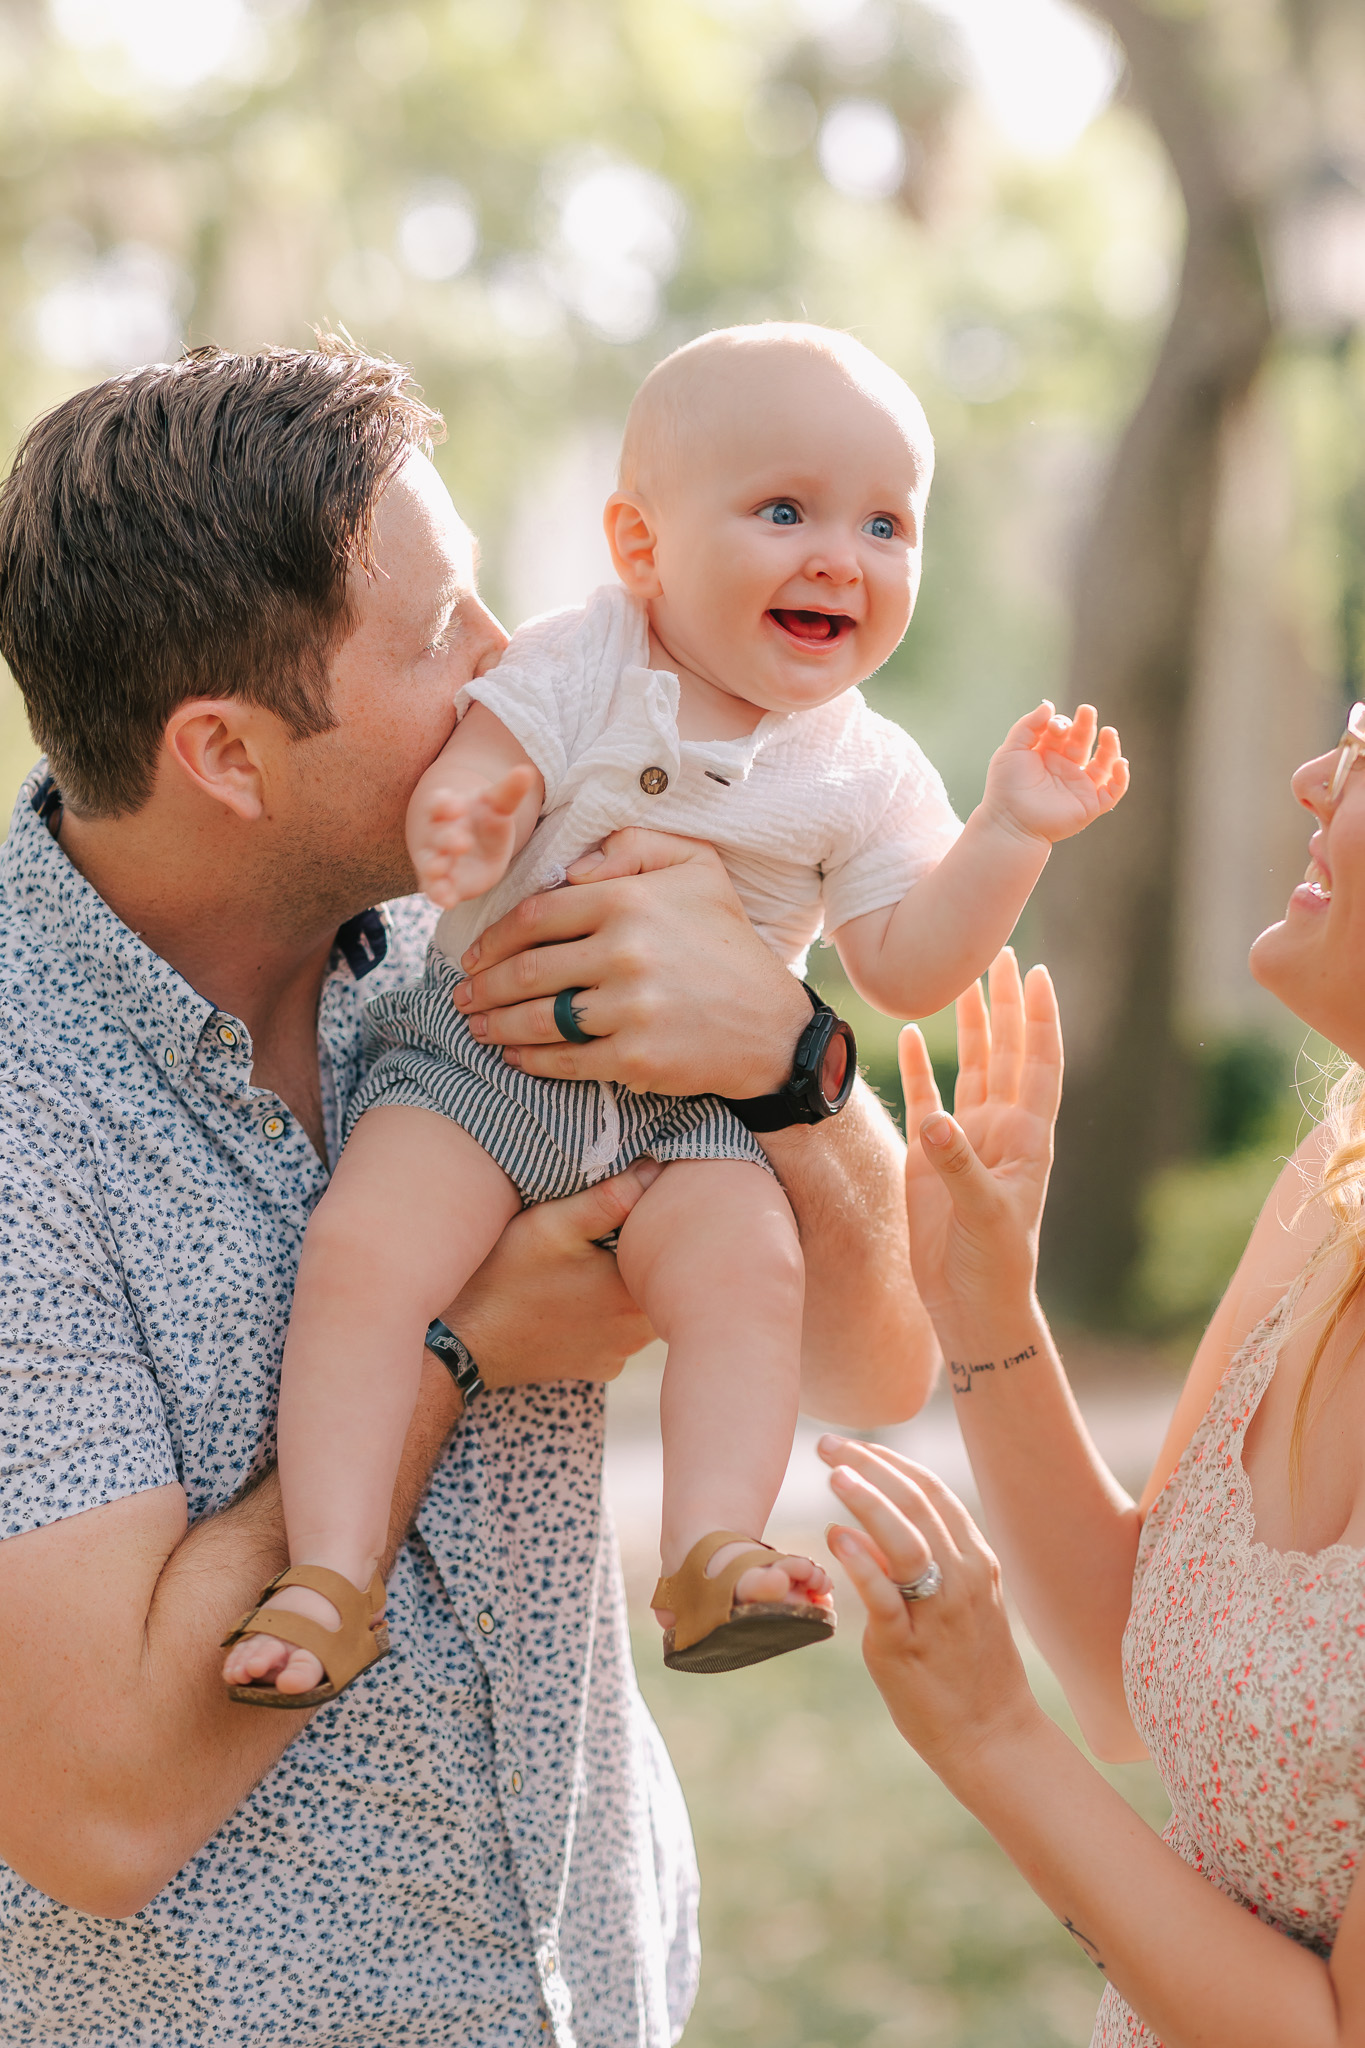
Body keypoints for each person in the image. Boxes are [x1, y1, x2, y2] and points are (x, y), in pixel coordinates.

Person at [0, 339, 939, 2048]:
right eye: (443, 637)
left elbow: (880, 1377)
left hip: (605, 1990)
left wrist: (787, 1059)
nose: (513, 657)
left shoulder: (487, 915)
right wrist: (463, 1349)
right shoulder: (23, 1119)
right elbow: (94, 1813)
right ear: (224, 753)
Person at [224, 323, 1128, 1703]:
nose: (841, 555)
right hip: (482, 1057)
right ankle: (329, 1572)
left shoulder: (868, 774)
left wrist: (1007, 831)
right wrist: (467, 817)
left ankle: (712, 1551)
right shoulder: (586, 653)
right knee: (363, 1258)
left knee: (748, 1278)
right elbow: (492, 751)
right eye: (784, 511)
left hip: (693, 1121)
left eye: (886, 525)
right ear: (641, 548)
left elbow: (901, 967)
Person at [820, 703, 1365, 2048]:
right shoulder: (1335, 1182)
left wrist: (994, 1738)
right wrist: (982, 1310)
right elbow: (1133, 1675)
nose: (1313, 775)